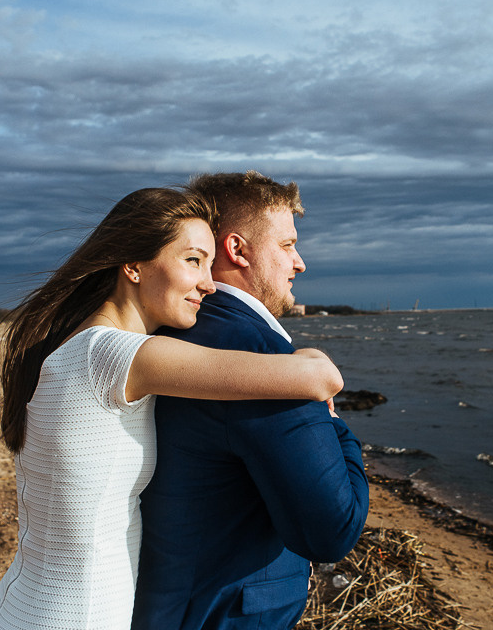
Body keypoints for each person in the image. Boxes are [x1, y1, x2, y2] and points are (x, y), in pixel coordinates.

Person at [0, 187, 344, 630]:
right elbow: (320, 378)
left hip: (27, 606)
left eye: (209, 263)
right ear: (133, 265)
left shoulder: (74, 346)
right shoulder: (118, 356)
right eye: (193, 260)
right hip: (71, 617)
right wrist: (310, 356)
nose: (209, 283)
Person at [132, 171, 370, 630]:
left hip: (172, 600)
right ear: (238, 250)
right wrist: (337, 426)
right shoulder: (262, 359)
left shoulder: (175, 331)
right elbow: (332, 531)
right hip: (224, 614)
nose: (299, 263)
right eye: (287, 245)